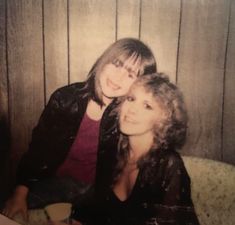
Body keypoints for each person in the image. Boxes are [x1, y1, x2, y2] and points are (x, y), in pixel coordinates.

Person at [2, 38, 157, 220]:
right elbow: (38, 149)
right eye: (116, 64)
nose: (119, 77)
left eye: (131, 75)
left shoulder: (128, 117)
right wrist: (20, 193)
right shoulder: (65, 98)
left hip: (95, 195)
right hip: (51, 183)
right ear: (103, 61)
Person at [72, 73, 200, 225]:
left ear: (164, 120)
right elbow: (91, 211)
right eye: (131, 99)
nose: (132, 110)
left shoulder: (168, 166)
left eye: (147, 106)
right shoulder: (114, 154)